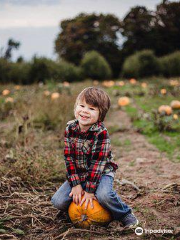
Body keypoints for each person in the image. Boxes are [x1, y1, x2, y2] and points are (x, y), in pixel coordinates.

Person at [51, 87, 139, 228]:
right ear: (75, 107)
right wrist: (76, 184)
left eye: (92, 109)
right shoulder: (70, 129)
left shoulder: (101, 133)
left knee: (104, 195)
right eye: (81, 106)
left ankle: (124, 213)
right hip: (80, 174)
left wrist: (90, 191)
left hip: (102, 172)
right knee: (58, 201)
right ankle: (73, 209)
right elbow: (69, 158)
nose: (85, 111)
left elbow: (98, 164)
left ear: (100, 115)